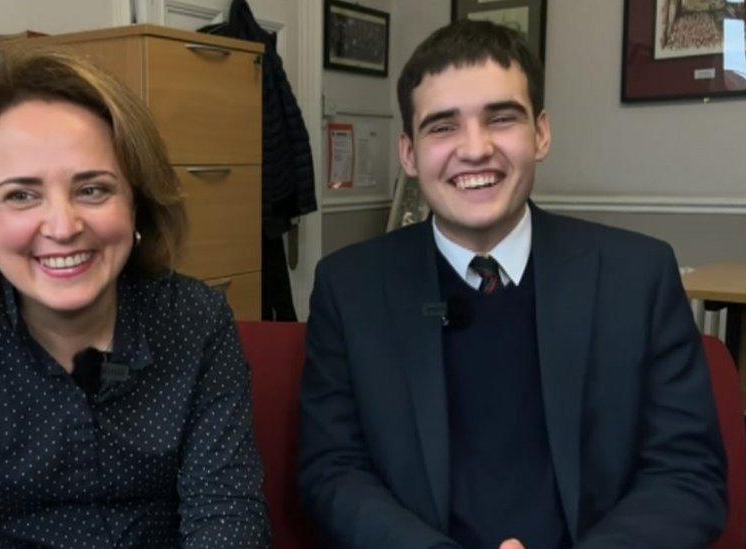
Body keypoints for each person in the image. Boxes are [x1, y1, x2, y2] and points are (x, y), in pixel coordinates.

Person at [299, 19, 725, 549]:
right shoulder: (349, 289)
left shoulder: (638, 277)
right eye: (442, 126)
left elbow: (686, 475)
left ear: (541, 133)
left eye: (501, 119)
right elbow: (332, 471)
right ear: (409, 153)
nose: (475, 150)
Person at [0, 50, 270, 547]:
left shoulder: (197, 321)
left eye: (93, 189)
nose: (63, 227)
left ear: (134, 201)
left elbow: (228, 519)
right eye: (21, 195)